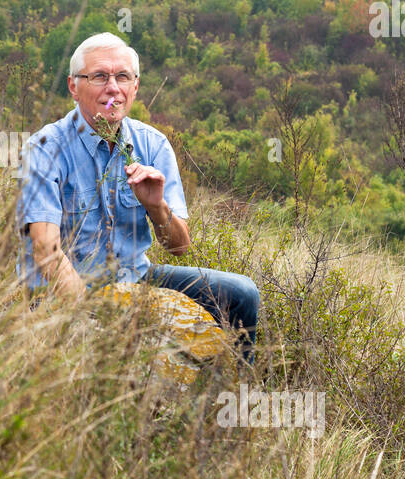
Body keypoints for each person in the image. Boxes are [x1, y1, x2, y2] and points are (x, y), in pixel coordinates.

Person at [17, 32, 260, 362]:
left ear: (135, 86)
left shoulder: (153, 145)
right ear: (74, 86)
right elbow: (47, 250)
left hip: (134, 277)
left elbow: (179, 246)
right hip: (64, 287)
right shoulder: (45, 148)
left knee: (242, 294)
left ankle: (236, 397)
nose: (113, 88)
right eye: (100, 76)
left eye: (122, 77)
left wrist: (155, 206)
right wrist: (93, 319)